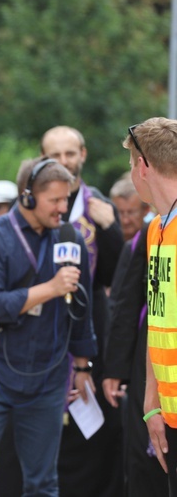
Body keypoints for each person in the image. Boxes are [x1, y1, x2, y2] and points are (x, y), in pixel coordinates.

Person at [0, 156, 98, 496]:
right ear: (28, 196)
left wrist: (83, 364)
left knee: (42, 481)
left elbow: (82, 307)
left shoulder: (70, 238)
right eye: (56, 200)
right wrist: (50, 288)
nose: (64, 207)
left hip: (48, 376)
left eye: (67, 199)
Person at [40, 126, 124, 496]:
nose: (63, 163)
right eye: (54, 155)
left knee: (96, 432)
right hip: (43, 333)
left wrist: (109, 229)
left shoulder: (101, 206)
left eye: (70, 154)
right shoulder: (33, 209)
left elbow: (117, 277)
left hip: (92, 332)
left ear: (83, 155)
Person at [126, 118, 177, 495]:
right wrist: (151, 403)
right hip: (167, 412)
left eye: (131, 164)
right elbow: (157, 317)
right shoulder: (155, 228)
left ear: (143, 166)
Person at [102, 220, 167, 496]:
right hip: (151, 359)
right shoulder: (154, 230)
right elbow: (128, 301)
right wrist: (116, 367)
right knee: (146, 455)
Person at [110, 176, 151, 242]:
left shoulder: (156, 238)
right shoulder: (102, 241)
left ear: (146, 210)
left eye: (131, 212)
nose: (125, 221)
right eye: (120, 212)